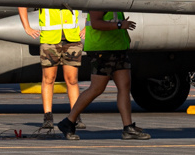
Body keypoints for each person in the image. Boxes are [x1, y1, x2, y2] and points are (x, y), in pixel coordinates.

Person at [58, 10, 149, 140]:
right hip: (102, 49)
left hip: (118, 48)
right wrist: (119, 25)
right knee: (96, 88)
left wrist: (123, 31)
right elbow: (96, 23)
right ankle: (68, 121)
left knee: (124, 86)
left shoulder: (115, 1)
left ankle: (128, 127)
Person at [19, 6, 83, 131]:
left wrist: (88, 27)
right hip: (50, 41)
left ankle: (75, 117)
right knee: (49, 79)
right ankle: (48, 117)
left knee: (72, 80)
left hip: (72, 40)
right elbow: (22, 4)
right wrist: (27, 27)